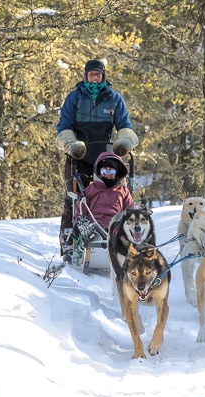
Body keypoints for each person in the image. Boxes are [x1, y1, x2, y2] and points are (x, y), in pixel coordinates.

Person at [56, 58, 139, 260]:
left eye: (98, 74)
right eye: (91, 74)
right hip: (79, 154)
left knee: (114, 195)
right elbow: (64, 125)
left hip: (106, 155)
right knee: (75, 198)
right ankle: (69, 243)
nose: (94, 78)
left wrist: (126, 141)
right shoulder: (74, 98)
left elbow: (124, 124)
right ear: (86, 76)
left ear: (103, 76)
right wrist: (70, 143)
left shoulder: (114, 98)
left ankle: (117, 237)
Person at [74, 152, 135, 233]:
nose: (108, 175)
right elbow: (81, 209)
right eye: (104, 172)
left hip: (116, 224)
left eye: (112, 172)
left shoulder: (123, 191)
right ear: (99, 172)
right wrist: (77, 224)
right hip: (95, 223)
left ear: (117, 173)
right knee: (94, 229)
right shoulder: (91, 189)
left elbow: (130, 209)